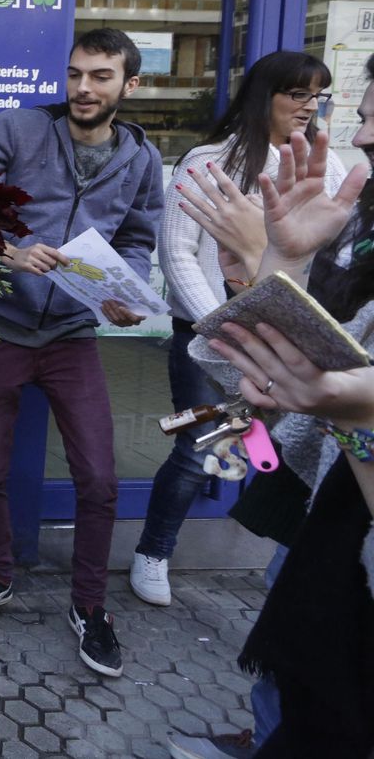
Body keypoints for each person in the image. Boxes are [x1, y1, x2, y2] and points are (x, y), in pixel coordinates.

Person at [0, 28, 163, 679]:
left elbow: (136, 237)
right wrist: (10, 250)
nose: (83, 88)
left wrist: (120, 294)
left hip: (74, 333)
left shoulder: (141, 157)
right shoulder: (15, 130)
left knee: (98, 479)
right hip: (1, 325)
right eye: (75, 74)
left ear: (130, 85)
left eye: (101, 76)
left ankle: (89, 607)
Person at [184, 126, 374, 759]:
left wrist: (355, 419)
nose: (360, 133)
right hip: (326, 546)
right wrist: (281, 267)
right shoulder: (359, 242)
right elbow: (271, 386)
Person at [132, 52, 344, 608]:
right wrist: (219, 328)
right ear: (263, 96)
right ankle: (153, 551)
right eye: (297, 94)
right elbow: (177, 252)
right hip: (212, 337)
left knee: (297, 447)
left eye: (318, 96)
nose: (309, 107)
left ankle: (287, 556)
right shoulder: (210, 160)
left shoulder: (329, 167)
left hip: (291, 341)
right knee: (199, 445)